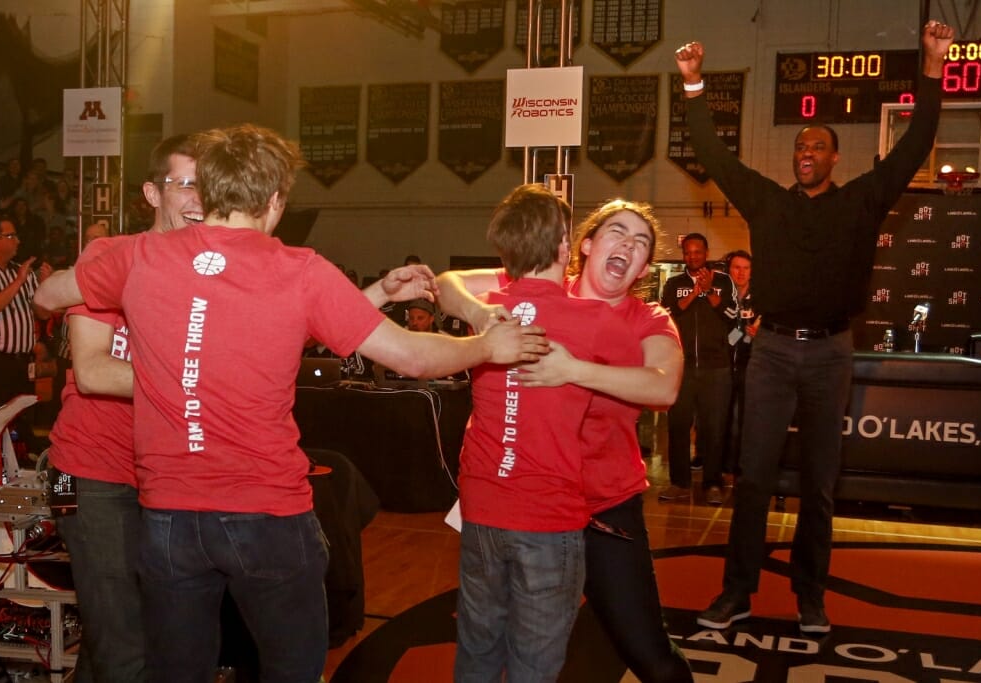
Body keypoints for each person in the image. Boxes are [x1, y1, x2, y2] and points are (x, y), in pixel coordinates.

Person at [34, 123, 549, 683]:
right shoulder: (299, 269)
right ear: (275, 200)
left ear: (209, 189)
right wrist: (485, 345)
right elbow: (411, 356)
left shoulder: (138, 256)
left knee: (176, 671)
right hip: (264, 511)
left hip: (170, 515)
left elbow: (48, 294)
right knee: (291, 667)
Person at [675, 19, 955, 634]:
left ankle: (811, 597)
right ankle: (737, 592)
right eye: (799, 146)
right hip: (772, 351)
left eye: (816, 146)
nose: (805, 153)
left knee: (820, 486)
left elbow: (915, 144)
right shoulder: (767, 203)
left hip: (831, 353)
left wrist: (932, 70)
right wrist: (693, 87)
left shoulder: (862, 201)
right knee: (753, 479)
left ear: (834, 158)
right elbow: (716, 156)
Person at [437, 198, 690, 683]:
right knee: (505, 644)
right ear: (585, 246)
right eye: (618, 231)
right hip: (527, 508)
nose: (629, 245)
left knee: (646, 652)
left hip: (604, 506)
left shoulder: (648, 319)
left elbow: (664, 386)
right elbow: (447, 284)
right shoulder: (536, 288)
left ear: (643, 268)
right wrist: (481, 314)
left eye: (642, 243)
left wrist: (573, 370)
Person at [45, 133, 202, 683]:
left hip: (162, 473)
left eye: (206, 184)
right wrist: (199, 385)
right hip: (93, 473)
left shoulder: (209, 275)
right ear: (152, 193)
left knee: (128, 632)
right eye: (184, 183)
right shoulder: (110, 256)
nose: (197, 197)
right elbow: (92, 370)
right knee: (125, 639)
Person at [660, 233, 737, 505]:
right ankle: (679, 482)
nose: (693, 257)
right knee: (678, 425)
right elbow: (667, 315)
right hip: (681, 368)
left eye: (698, 252)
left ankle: (713, 483)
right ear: (683, 255)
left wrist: (711, 293)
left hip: (716, 368)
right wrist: (695, 293)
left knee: (714, 428)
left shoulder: (724, 281)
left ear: (706, 253)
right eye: (688, 253)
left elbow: (732, 316)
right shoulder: (673, 283)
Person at [0, 214, 51, 450]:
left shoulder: (19, 270)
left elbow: (43, 314)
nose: (17, 241)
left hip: (21, 362)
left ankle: (22, 465)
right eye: (11, 235)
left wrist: (44, 286)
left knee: (21, 417)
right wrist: (18, 281)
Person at [723, 249, 757, 476]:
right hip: (722, 363)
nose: (741, 272)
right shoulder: (721, 295)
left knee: (746, 418)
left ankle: (742, 467)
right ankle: (717, 462)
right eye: (737, 267)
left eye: (745, 268)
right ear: (729, 270)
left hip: (751, 365)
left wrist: (759, 334)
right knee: (720, 416)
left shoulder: (762, 299)